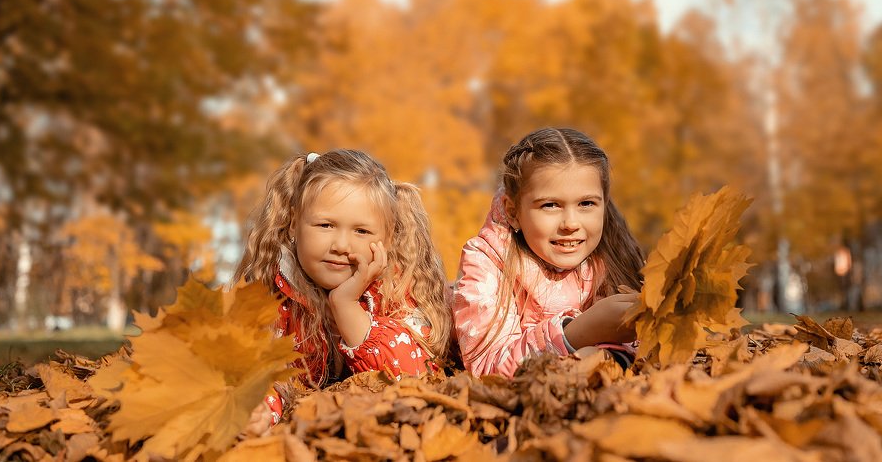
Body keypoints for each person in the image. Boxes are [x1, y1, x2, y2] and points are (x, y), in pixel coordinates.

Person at [233, 149, 452, 421]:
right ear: (292, 223)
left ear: (389, 237)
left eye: (361, 231)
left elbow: (415, 378)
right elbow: (262, 372)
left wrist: (346, 305)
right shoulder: (274, 291)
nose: (341, 246)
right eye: (325, 225)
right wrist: (263, 412)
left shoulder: (399, 288)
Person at [452, 127, 646, 377]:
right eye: (550, 205)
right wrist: (577, 333)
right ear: (513, 212)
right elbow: (487, 367)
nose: (570, 224)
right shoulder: (486, 262)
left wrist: (609, 354)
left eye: (586, 204)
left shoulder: (611, 256)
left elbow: (649, 345)